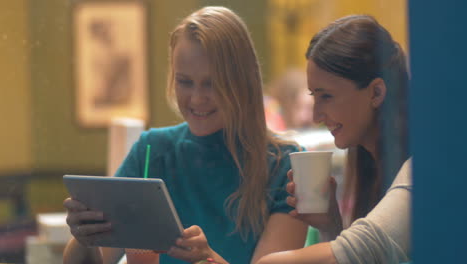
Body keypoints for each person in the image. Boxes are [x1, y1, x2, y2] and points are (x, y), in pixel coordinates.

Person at [62, 6, 307, 264]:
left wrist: (208, 259)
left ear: (242, 81)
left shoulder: (285, 165)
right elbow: (98, 257)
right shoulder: (151, 151)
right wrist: (83, 236)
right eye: (185, 82)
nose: (197, 99)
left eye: (211, 83)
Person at [256, 15, 411, 264]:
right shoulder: (370, 165)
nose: (316, 115)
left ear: (376, 92)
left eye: (326, 96)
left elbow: (362, 251)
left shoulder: (418, 170)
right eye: (313, 97)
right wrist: (330, 224)